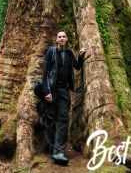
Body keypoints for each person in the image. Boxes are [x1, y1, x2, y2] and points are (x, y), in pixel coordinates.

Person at [42, 31, 86, 165]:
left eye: (64, 37)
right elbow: (45, 73)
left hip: (64, 91)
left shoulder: (69, 53)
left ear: (66, 39)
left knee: (63, 119)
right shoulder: (51, 51)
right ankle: (51, 148)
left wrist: (81, 56)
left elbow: (77, 66)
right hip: (51, 90)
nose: (61, 38)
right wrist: (46, 91)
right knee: (50, 119)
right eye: (59, 36)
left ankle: (58, 151)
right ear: (56, 39)